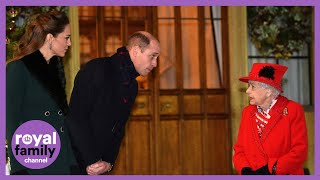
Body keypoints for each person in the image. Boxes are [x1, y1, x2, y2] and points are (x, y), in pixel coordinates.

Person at [66, 31, 161, 175]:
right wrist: (92, 160)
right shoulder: (97, 69)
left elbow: (119, 128)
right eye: (152, 56)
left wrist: (109, 162)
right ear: (135, 51)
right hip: (74, 162)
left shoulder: (132, 86)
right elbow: (76, 119)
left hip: (99, 166)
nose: (155, 64)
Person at [6, 10, 77, 175]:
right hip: (34, 163)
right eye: (66, 38)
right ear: (50, 38)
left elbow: (61, 121)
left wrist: (71, 162)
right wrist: (19, 169)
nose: (70, 43)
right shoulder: (18, 69)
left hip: (60, 160)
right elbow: (11, 122)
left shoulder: (56, 70)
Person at [233, 63, 308, 175]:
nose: (247, 91)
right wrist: (245, 170)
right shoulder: (247, 112)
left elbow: (299, 151)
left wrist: (271, 169)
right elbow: (239, 150)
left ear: (268, 91)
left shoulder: (293, 110)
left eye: (253, 86)